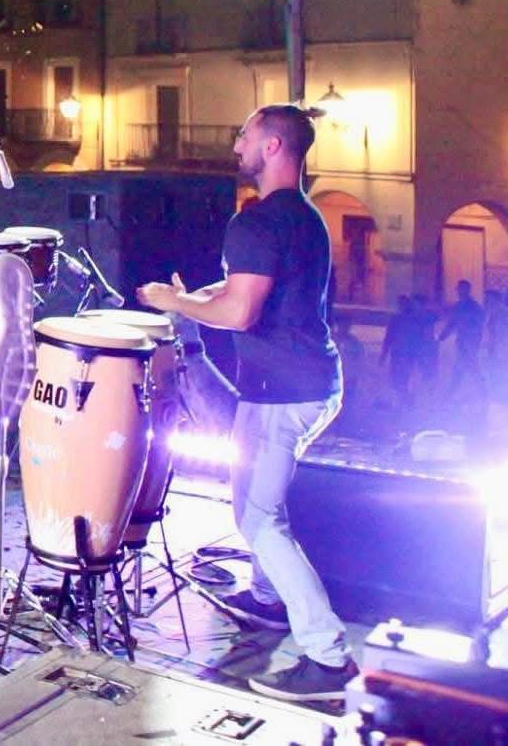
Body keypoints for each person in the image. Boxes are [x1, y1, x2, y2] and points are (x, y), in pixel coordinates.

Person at [139, 104, 356, 703]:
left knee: (259, 519)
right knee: (254, 501)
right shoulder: (304, 217)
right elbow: (240, 288)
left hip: (285, 393)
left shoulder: (255, 222)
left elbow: (238, 312)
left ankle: (329, 658)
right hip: (304, 384)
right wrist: (188, 296)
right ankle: (267, 599)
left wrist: (174, 304)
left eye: (245, 132)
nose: (236, 139)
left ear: (273, 146)